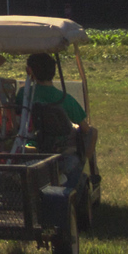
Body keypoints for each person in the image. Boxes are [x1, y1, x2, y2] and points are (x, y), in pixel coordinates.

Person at [22, 51, 100, 180]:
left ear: (29, 71)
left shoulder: (23, 95)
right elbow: (85, 129)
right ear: (53, 72)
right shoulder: (66, 99)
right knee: (93, 131)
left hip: (31, 146)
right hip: (59, 153)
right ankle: (87, 171)